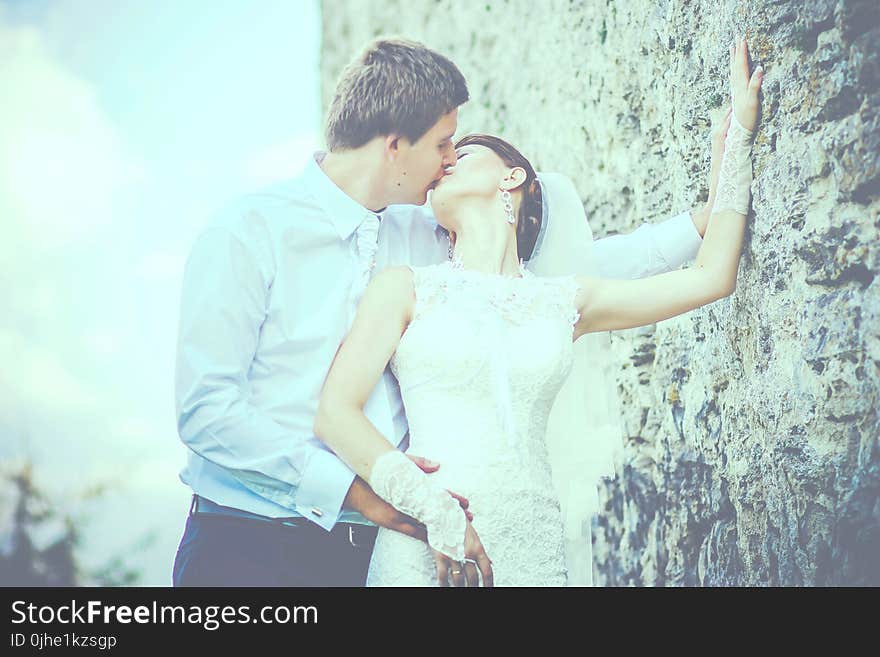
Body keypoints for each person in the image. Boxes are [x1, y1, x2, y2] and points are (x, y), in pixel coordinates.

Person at [171, 37, 724, 587]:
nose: (448, 161)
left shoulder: (427, 235)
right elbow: (207, 412)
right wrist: (360, 494)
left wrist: (705, 219)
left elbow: (555, 283)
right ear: (394, 146)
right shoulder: (248, 231)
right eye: (442, 144)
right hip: (249, 546)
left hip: (382, 555)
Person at [312, 36, 764, 586]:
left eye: (465, 150)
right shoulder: (404, 287)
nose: (447, 159)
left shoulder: (564, 299)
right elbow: (335, 412)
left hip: (533, 547)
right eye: (443, 151)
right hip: (428, 542)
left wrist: (738, 137)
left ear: (512, 176)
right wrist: (430, 507)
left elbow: (712, 276)